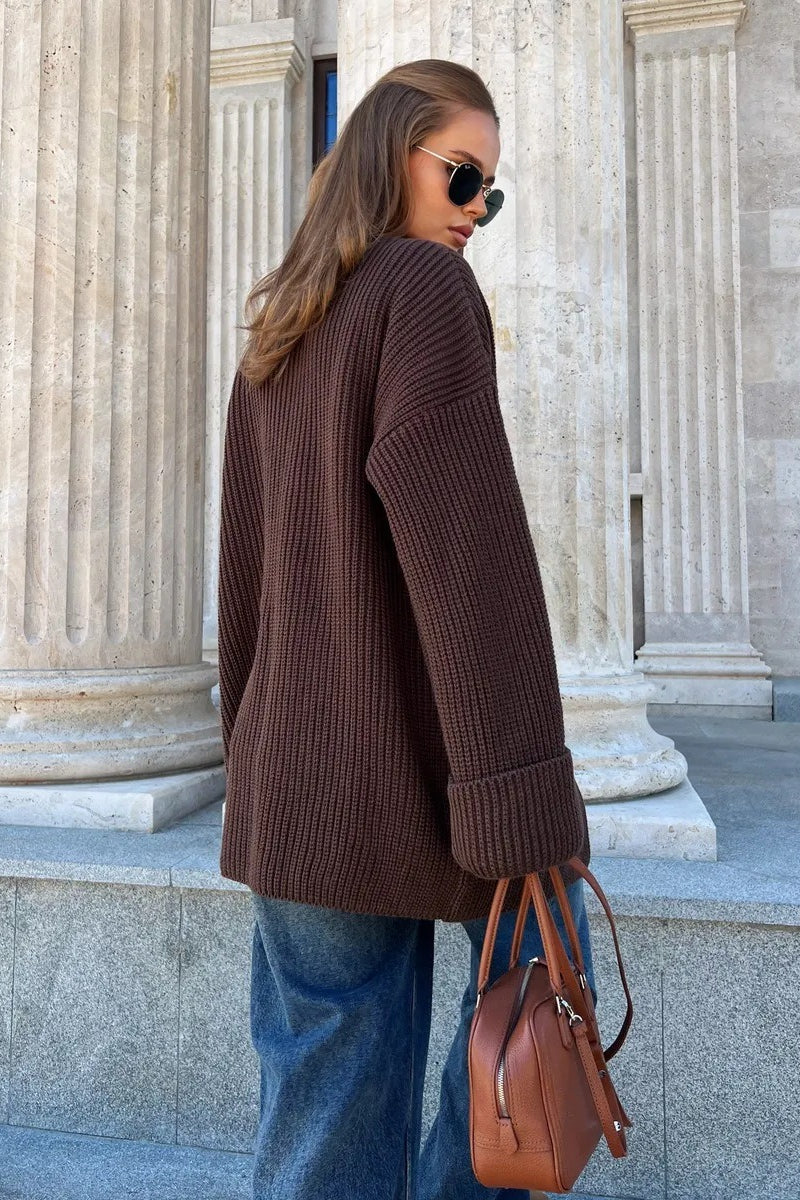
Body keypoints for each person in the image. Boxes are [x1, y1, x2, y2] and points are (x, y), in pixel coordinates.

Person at [217, 57, 596, 1200]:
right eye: (461, 175)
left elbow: (244, 582)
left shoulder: (280, 324)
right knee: (518, 1060)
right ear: (391, 157)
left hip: (293, 783)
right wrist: (520, 790)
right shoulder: (420, 289)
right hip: (414, 780)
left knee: (319, 1103)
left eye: (491, 190)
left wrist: (247, 756)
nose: (476, 208)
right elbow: (468, 564)